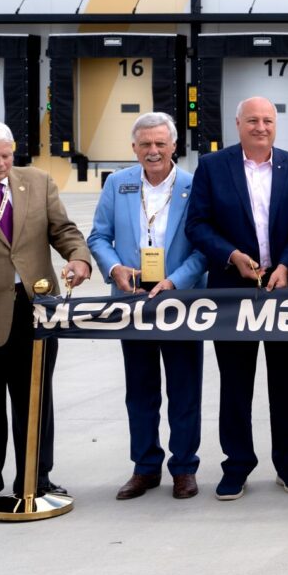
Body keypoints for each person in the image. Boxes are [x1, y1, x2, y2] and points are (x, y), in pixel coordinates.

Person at [186, 95, 288, 501]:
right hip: (232, 291)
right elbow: (198, 225)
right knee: (235, 381)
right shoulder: (212, 166)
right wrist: (232, 255)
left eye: (268, 121)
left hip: (287, 287)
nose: (261, 127)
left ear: (276, 125)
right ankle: (237, 464)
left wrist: (287, 264)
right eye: (253, 121)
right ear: (238, 124)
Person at [0, 118, 92, 513]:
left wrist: (79, 257)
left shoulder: (36, 181)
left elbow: (63, 229)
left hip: (36, 311)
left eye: (6, 155)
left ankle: (36, 480)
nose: (1, 164)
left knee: (35, 399)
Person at [87, 112, 207, 500]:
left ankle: (184, 468)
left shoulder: (194, 184)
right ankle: (145, 467)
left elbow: (204, 245)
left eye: (160, 143)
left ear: (174, 146)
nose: (153, 151)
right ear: (134, 148)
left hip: (180, 302)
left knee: (184, 389)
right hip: (132, 302)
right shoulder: (118, 184)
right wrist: (115, 268)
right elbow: (99, 236)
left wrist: (176, 281)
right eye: (145, 144)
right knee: (140, 390)